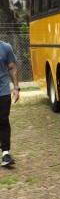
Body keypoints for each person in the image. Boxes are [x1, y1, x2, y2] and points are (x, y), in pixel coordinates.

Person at [0, 39, 19, 167]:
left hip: (3, 91)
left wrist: (16, 88)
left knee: (3, 120)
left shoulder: (6, 47)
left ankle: (5, 153)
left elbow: (12, 68)